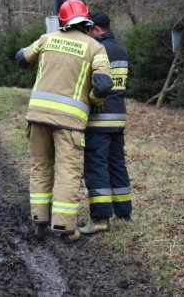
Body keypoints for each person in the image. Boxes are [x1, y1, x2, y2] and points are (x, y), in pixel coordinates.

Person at [16, 0, 113, 244]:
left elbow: (20, 58)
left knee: (41, 167)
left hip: (37, 117)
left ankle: (39, 221)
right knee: (67, 172)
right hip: (69, 122)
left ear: (62, 21)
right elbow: (103, 85)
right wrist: (90, 98)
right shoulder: (95, 47)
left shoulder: (46, 39)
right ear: (86, 20)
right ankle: (64, 227)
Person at [78, 12, 132, 235]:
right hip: (118, 117)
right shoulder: (121, 49)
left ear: (97, 30)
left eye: (89, 30)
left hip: (99, 118)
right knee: (116, 163)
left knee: (96, 165)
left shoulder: (98, 50)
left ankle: (100, 218)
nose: (88, 35)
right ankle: (124, 211)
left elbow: (95, 84)